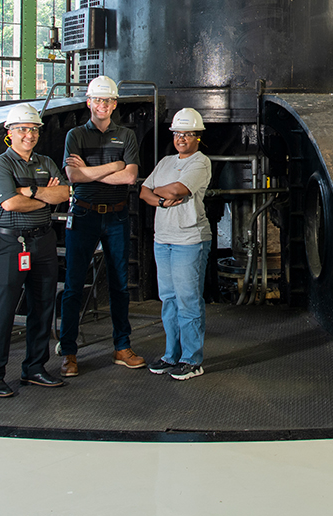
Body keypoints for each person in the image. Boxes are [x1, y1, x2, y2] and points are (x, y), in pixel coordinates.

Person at [56, 75, 146, 376]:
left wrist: (91, 171)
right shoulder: (75, 136)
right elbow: (74, 178)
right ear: (89, 102)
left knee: (119, 285)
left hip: (117, 216)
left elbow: (130, 177)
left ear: (114, 104)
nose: (102, 105)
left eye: (107, 100)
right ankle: (68, 352)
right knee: (73, 286)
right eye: (97, 100)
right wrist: (113, 166)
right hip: (83, 215)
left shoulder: (127, 135)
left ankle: (122, 347)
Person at [0, 103, 70, 397]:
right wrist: (45, 197)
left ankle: (34, 368)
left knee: (43, 306)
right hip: (9, 243)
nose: (28, 135)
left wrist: (30, 192)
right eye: (22, 129)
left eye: (33, 129)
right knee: (3, 310)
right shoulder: (1, 165)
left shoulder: (45, 162)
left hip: (43, 241)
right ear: (10, 133)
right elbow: (10, 204)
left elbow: (64, 193)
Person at [140, 108, 213, 380]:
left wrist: (161, 191)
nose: (182, 138)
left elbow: (177, 191)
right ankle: (171, 355)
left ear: (198, 137)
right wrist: (160, 199)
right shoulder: (166, 162)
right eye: (178, 133)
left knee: (188, 300)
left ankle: (192, 360)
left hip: (189, 241)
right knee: (168, 300)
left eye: (188, 134)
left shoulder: (200, 162)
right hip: (164, 239)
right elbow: (143, 192)